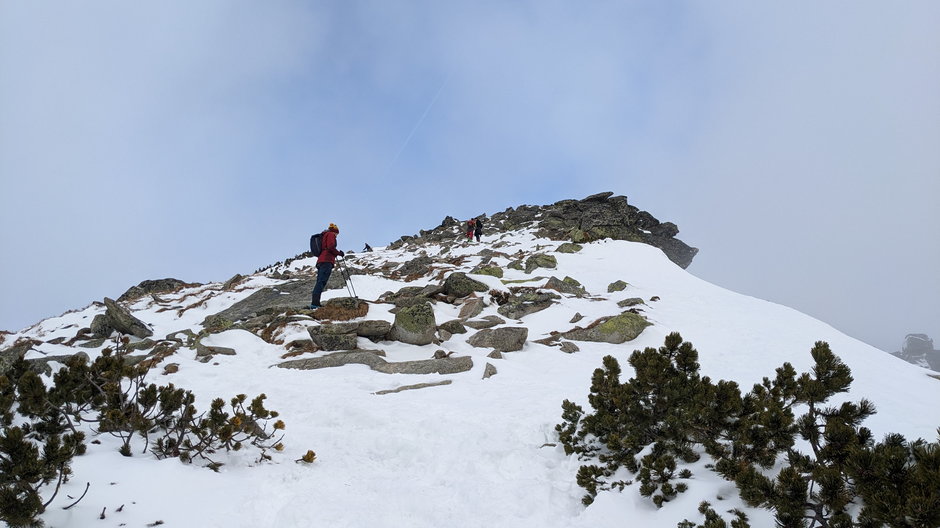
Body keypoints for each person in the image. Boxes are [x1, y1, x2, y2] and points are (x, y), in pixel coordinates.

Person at [310, 223, 344, 309]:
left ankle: (315, 303)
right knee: (322, 281)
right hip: (327, 260)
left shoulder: (325, 235)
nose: (336, 236)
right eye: (337, 234)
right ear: (335, 232)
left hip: (322, 260)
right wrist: (339, 253)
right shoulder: (330, 234)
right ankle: (315, 304)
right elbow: (331, 247)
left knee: (320, 281)